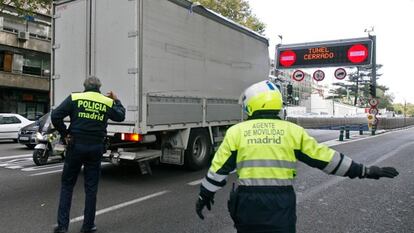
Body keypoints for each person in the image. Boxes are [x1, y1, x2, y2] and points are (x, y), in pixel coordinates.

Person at [195, 80, 399, 233]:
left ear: (252, 105)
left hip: (248, 202)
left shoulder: (236, 132)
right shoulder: (293, 131)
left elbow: (218, 170)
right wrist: (365, 170)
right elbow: (327, 159)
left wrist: (205, 195)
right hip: (281, 202)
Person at [51, 76, 125, 233]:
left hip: (75, 145)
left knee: (67, 185)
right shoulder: (106, 101)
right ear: (99, 87)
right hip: (95, 148)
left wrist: (65, 133)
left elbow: (55, 116)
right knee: (91, 188)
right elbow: (120, 116)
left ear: (84, 86)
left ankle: (63, 227)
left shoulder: (75, 98)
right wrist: (116, 100)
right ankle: (88, 226)